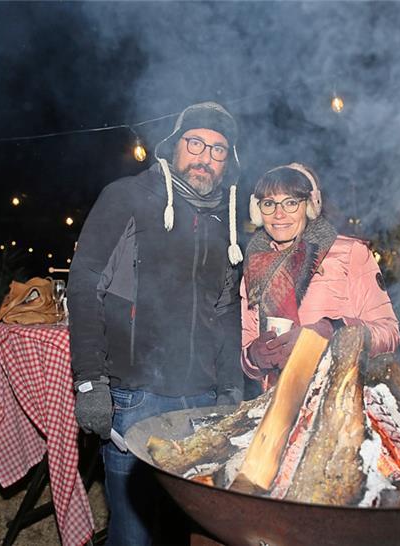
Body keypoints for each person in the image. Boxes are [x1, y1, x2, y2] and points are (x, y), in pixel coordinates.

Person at [68, 102, 245, 545]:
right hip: (135, 396)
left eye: (218, 150)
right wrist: (90, 382)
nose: (205, 157)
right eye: (195, 143)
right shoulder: (127, 196)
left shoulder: (227, 220)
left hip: (201, 400)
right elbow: (85, 284)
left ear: (228, 162)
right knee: (133, 534)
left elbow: (226, 310)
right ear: (173, 146)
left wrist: (230, 386)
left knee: (183, 532)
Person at [240, 163, 400, 391]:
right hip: (277, 403)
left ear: (310, 206)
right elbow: (248, 358)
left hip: (338, 399)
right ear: (257, 211)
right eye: (269, 204)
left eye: (291, 203)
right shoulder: (254, 267)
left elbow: (389, 334)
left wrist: (332, 333)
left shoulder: (350, 253)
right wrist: (254, 356)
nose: (278, 214)